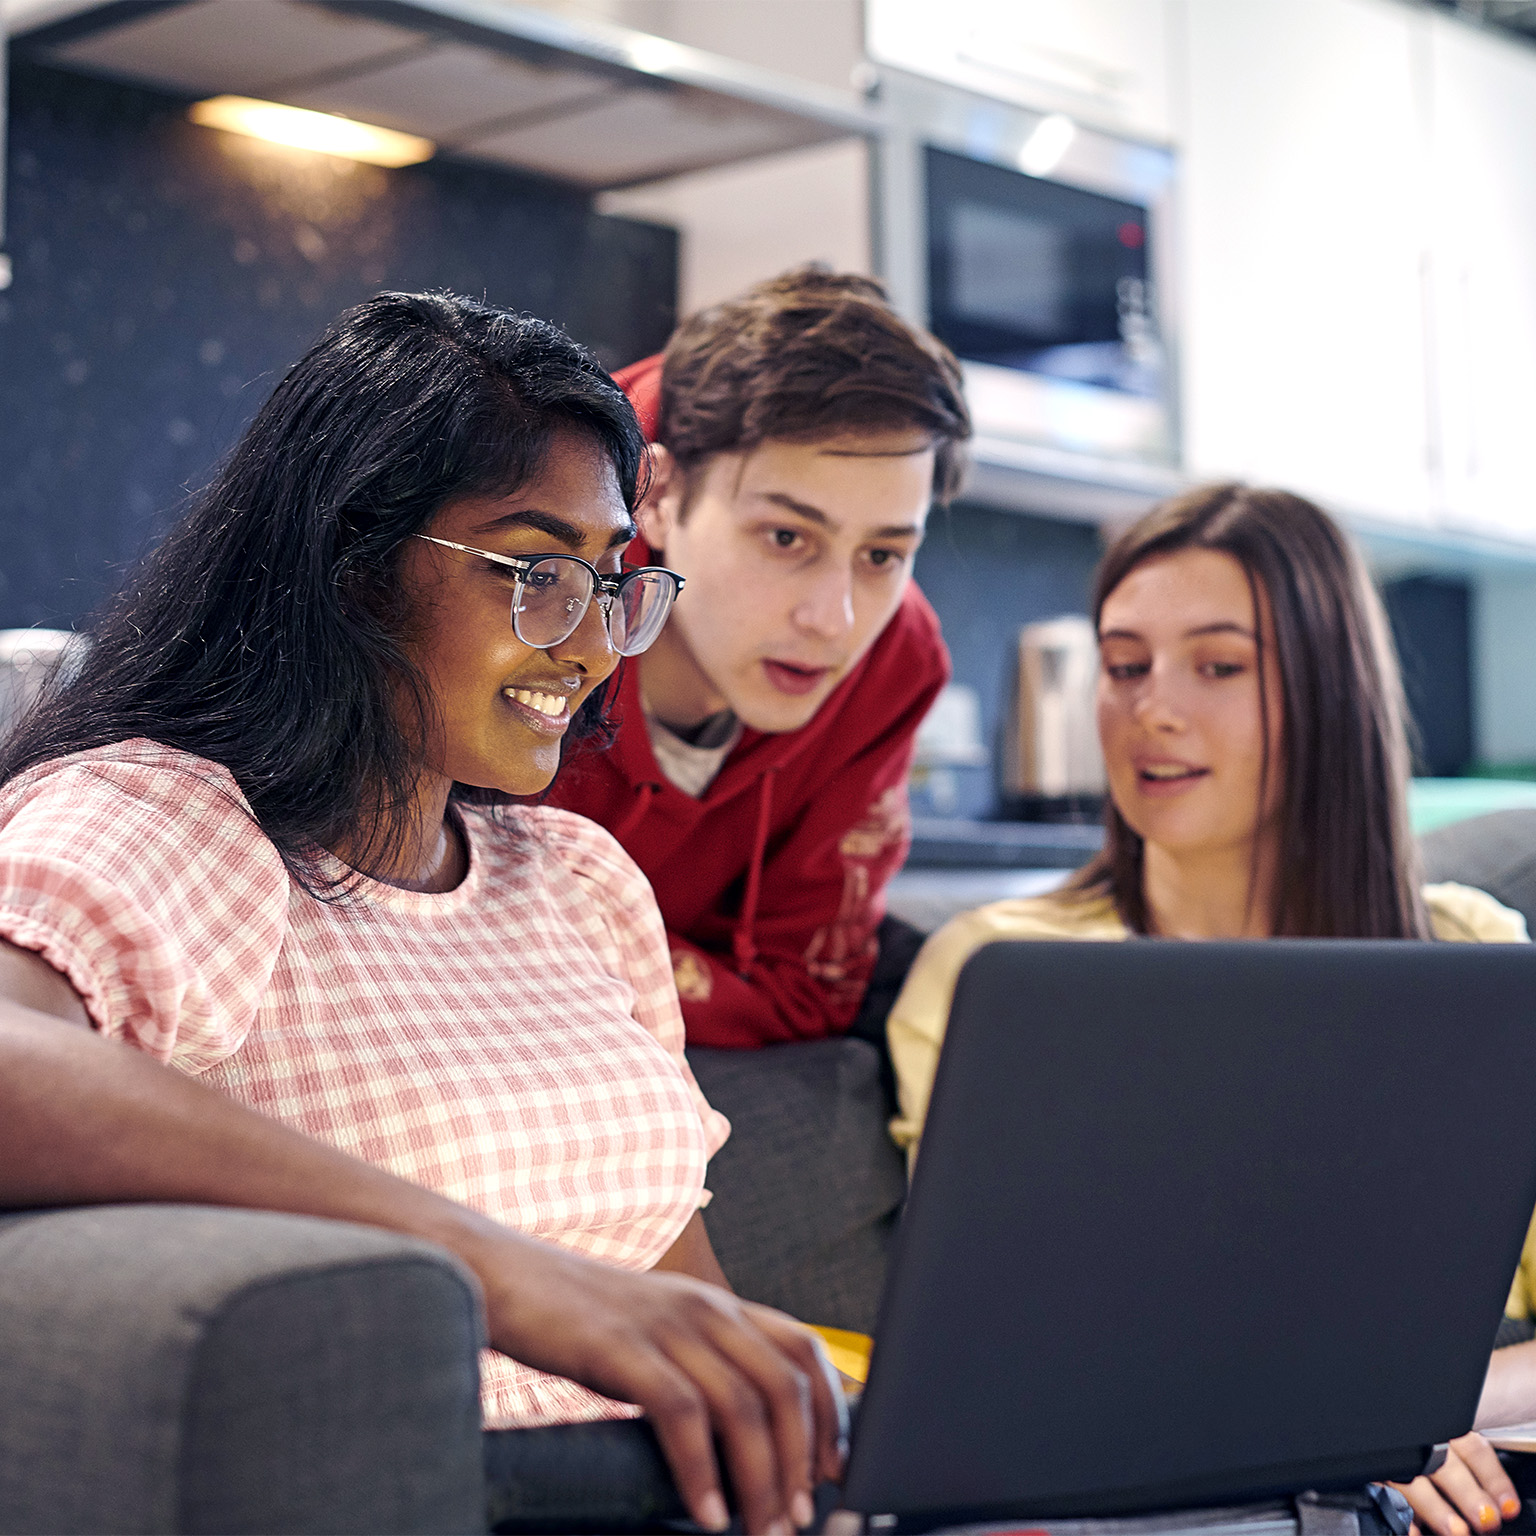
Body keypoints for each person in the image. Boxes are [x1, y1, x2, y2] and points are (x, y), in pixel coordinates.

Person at [0, 291, 843, 1536]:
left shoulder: (577, 881)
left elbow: (682, 1315)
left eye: (610, 583)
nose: (592, 646)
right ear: (352, 560)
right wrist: (517, 1279)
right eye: (539, 573)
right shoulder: (168, 819)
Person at [882, 482, 1527, 1536]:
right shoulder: (1001, 969)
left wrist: (1418, 1419)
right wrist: (1369, 1422)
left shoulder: (1476, 957)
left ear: (1329, 690)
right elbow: (1004, 1338)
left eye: (1218, 666)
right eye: (1125, 665)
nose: (1153, 708)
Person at [546, 265, 971, 1333]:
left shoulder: (897, 655)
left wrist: (587, 972)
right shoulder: (531, 561)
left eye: (885, 555)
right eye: (787, 537)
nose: (835, 617)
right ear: (660, 491)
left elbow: (808, 991)